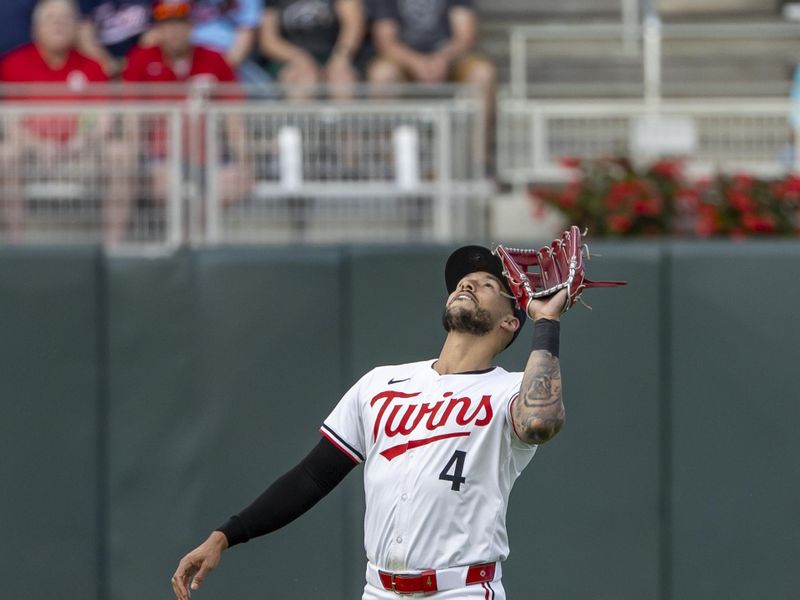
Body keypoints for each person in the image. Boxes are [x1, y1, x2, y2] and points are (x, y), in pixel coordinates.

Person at [171, 245, 569, 600]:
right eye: (462, 281)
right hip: (379, 590)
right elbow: (314, 475)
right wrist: (226, 535)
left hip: (462, 589)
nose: (467, 284)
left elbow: (539, 421)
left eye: (486, 285)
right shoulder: (381, 382)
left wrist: (547, 321)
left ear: (510, 321)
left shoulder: (510, 390)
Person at [0, 0, 136, 244]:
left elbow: (102, 119)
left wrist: (79, 143)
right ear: (35, 29)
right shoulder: (13, 64)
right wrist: (38, 145)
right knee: (5, 153)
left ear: (77, 28)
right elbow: (9, 121)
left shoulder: (93, 67)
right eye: (51, 19)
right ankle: (15, 245)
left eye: (65, 19)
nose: (58, 25)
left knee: (120, 152)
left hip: (83, 154)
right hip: (31, 155)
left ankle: (114, 248)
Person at [123, 0, 252, 210]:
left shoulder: (214, 58)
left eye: (180, 23)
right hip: (160, 157)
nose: (174, 30)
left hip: (211, 156)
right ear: (157, 29)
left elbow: (234, 118)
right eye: (167, 24)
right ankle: (189, 238)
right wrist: (137, 161)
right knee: (164, 184)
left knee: (235, 183)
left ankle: (195, 239)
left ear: (192, 25)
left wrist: (246, 163)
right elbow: (132, 118)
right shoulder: (140, 59)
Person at [260, 0, 366, 98]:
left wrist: (341, 58)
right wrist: (299, 58)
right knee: (302, 81)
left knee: (342, 82)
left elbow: (353, 24)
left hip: (334, 53)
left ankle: (341, 118)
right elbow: (268, 40)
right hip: (288, 57)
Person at [191, 0, 269, 84]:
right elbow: (177, 32)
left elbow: (246, 32)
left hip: (231, 61)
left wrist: (219, 69)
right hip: (188, 60)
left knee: (266, 89)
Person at [76, 0, 153, 78]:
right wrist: (107, 62)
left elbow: (158, 30)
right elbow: (83, 34)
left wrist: (133, 63)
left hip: (141, 60)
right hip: (104, 61)